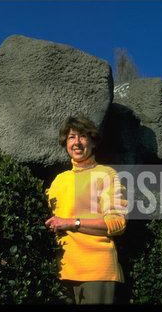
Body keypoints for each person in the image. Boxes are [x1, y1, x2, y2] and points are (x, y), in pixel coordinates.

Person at [45, 116, 128, 305]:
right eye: (72, 137)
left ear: (92, 142)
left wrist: (71, 222)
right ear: (65, 143)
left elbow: (117, 223)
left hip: (96, 270)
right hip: (60, 271)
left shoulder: (106, 174)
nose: (76, 142)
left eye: (83, 136)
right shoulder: (58, 180)